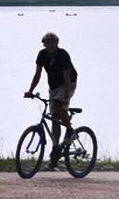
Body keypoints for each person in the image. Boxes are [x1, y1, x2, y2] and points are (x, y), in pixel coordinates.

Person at [24, 32, 78, 170]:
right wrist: (30, 90)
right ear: (44, 44)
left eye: (53, 42)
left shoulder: (63, 54)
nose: (50, 45)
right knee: (54, 117)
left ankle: (71, 131)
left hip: (68, 83)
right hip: (53, 85)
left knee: (59, 106)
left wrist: (66, 93)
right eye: (47, 43)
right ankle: (56, 146)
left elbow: (67, 74)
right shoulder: (42, 54)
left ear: (57, 43)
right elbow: (38, 74)